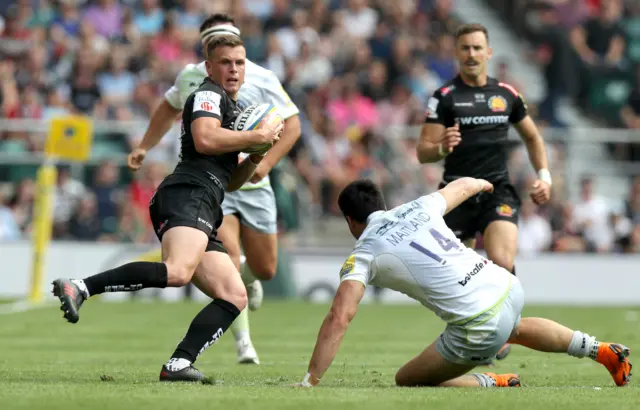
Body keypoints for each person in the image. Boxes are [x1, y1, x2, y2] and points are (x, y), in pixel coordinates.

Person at [51, 35, 284, 382]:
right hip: (188, 192)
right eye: (225, 62)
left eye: (239, 62)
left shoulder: (233, 109)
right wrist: (255, 137)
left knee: (234, 295)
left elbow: (233, 181)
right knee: (176, 272)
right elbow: (204, 139)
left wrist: (257, 154)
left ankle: (178, 364)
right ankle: (80, 287)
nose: (233, 69)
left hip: (207, 199)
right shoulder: (208, 94)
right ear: (209, 67)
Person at [292, 178, 632, 388]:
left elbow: (339, 317)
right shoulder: (418, 207)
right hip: (505, 285)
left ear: (351, 220)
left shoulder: (364, 250)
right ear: (382, 204)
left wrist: (310, 380)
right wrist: (486, 183)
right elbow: (464, 186)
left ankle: (490, 380)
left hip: (477, 325)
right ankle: (601, 350)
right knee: (513, 327)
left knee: (406, 379)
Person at [126, 14, 302, 365]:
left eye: (225, 37)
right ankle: (245, 345)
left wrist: (263, 164)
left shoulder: (262, 76)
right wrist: (145, 145)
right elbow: (168, 108)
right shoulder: (194, 77)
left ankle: (248, 282)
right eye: (211, 39)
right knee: (229, 255)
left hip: (253, 181)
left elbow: (292, 125)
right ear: (205, 47)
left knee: (265, 268)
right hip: (210, 183)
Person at [416, 23, 552, 361]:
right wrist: (443, 148)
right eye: (465, 48)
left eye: (478, 48)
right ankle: (474, 328)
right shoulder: (444, 97)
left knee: (503, 261)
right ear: (457, 53)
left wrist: (544, 176)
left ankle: (504, 328)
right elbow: (423, 151)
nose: (472, 54)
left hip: (497, 191)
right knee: (456, 276)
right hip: (456, 193)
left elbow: (533, 137)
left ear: (489, 52)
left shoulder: (506, 94)